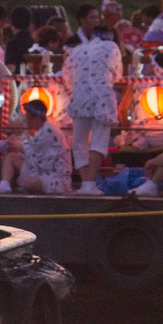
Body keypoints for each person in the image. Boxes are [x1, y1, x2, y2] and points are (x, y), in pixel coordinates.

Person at [62, 15, 124, 193]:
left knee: (79, 143)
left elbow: (67, 77)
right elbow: (117, 74)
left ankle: (85, 183)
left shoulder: (77, 50)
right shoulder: (112, 47)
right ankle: (90, 183)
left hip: (79, 97)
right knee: (98, 142)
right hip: (102, 98)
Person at [0, 98, 73, 193]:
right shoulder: (38, 132)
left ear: (37, 119)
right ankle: (5, 184)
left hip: (55, 177)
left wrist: (12, 142)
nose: (26, 121)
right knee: (11, 157)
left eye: (28, 118)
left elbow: (25, 148)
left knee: (29, 184)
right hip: (38, 169)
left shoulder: (49, 131)